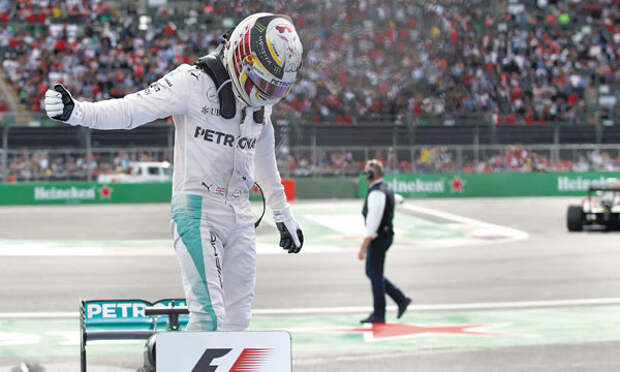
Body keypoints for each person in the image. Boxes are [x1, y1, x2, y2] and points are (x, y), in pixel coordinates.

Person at [44, 13, 304, 332]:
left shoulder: (261, 103)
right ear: (241, 55)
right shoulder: (191, 82)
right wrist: (78, 112)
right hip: (197, 210)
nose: (265, 93)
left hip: (240, 213)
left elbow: (264, 158)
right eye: (262, 82)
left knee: (239, 320)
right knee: (208, 317)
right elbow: (131, 110)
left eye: (274, 88)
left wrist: (283, 215)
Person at [358, 159, 411, 324]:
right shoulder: (385, 188)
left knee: (375, 275)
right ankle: (400, 299)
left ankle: (379, 314)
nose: (365, 175)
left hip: (378, 238)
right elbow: (398, 199)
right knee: (373, 273)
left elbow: (372, 224)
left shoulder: (376, 193)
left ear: (371, 174)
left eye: (367, 172)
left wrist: (363, 247)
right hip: (385, 236)